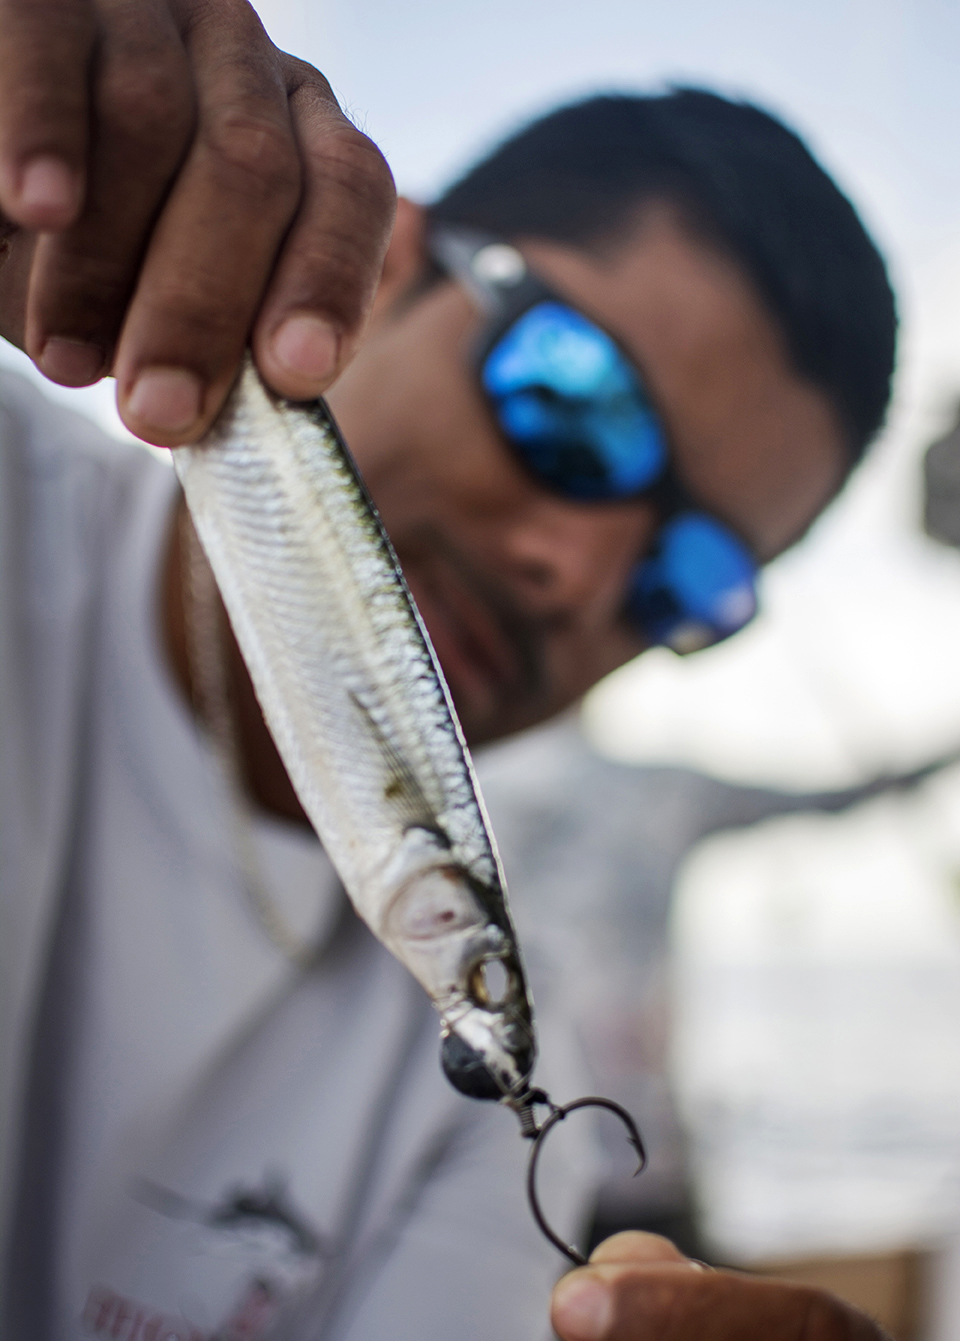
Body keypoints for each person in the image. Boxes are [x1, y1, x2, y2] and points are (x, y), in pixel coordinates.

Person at [0, 2, 898, 1337]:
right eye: (574, 406)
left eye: (691, 577)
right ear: (382, 270)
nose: (581, 577)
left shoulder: (473, 1105)